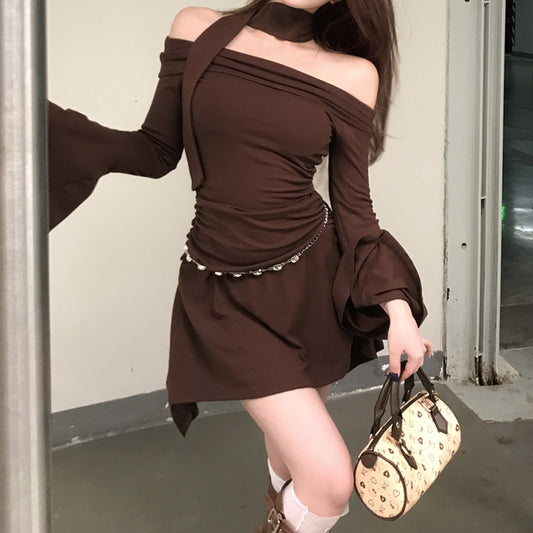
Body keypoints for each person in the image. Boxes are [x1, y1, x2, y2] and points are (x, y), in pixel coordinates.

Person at [47, 1, 433, 531]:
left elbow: (355, 212)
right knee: (329, 480)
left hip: (311, 291)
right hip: (225, 291)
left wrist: (399, 311)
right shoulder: (198, 29)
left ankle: (276, 513)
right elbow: (154, 150)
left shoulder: (353, 74)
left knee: (290, 461)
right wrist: (37, 125)